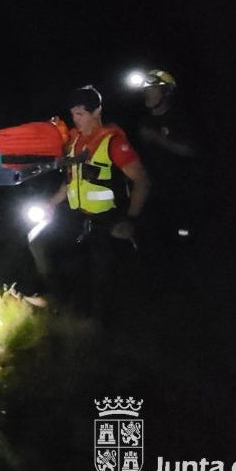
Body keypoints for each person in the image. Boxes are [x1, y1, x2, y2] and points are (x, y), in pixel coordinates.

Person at [24, 85, 150, 318]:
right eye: (72, 114)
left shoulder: (113, 143)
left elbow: (142, 180)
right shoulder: (74, 143)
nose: (75, 119)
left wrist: (130, 219)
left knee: (99, 272)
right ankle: (56, 299)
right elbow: (70, 181)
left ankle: (97, 326)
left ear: (96, 112)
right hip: (76, 214)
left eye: (80, 114)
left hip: (107, 219)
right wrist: (50, 204)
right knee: (38, 240)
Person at [131, 69, 200, 251]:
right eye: (145, 90)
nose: (147, 94)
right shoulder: (143, 122)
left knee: (182, 239)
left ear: (166, 92)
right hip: (153, 190)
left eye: (152, 89)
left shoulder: (180, 118)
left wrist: (158, 138)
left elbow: (190, 150)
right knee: (152, 240)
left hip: (179, 191)